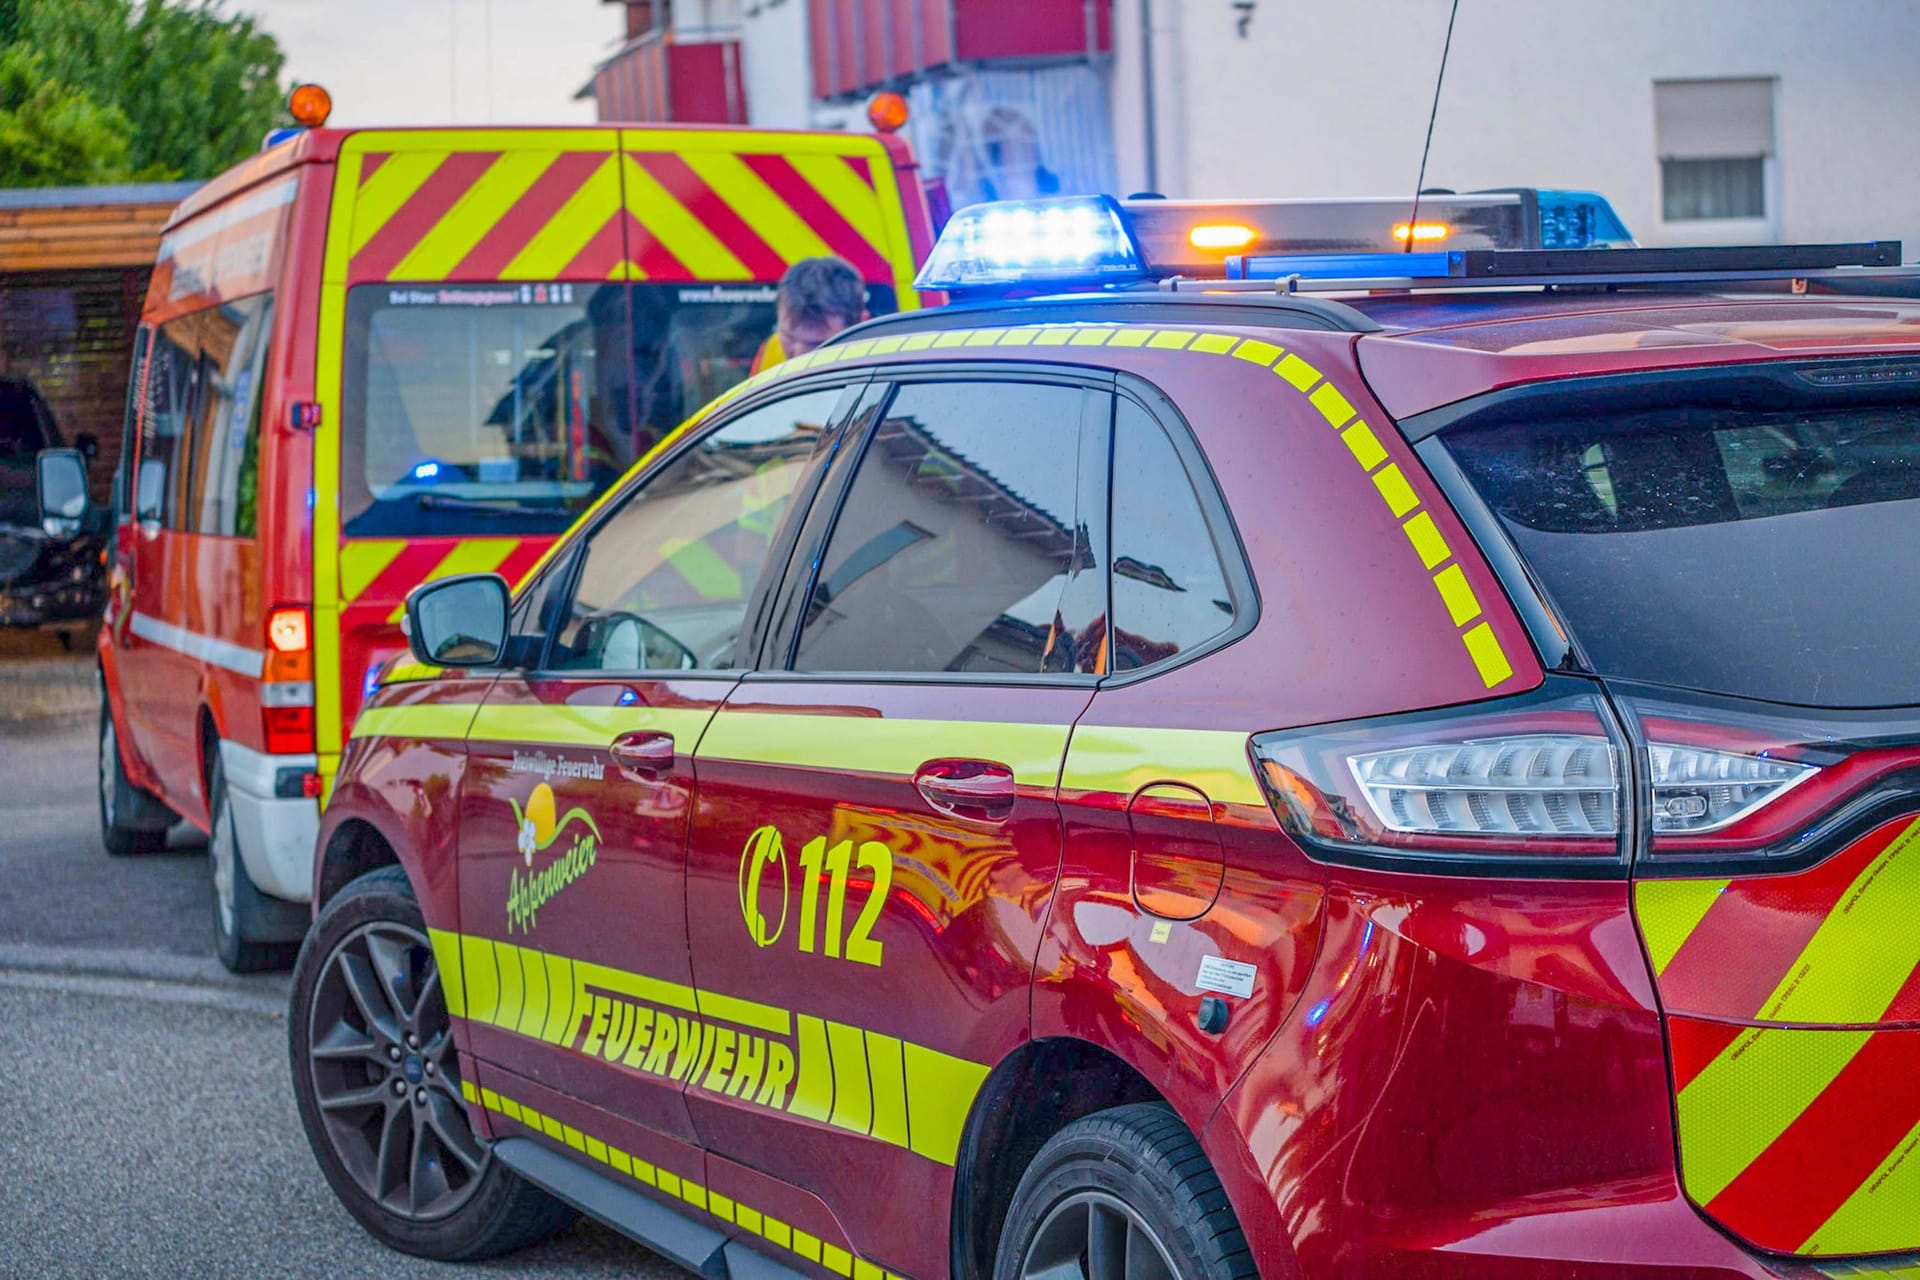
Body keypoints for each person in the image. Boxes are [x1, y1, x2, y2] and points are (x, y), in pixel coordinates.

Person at [751, 255, 869, 373]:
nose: (798, 354)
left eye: (816, 344)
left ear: (858, 328)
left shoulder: (879, 359)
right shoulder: (772, 349)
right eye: (789, 337)